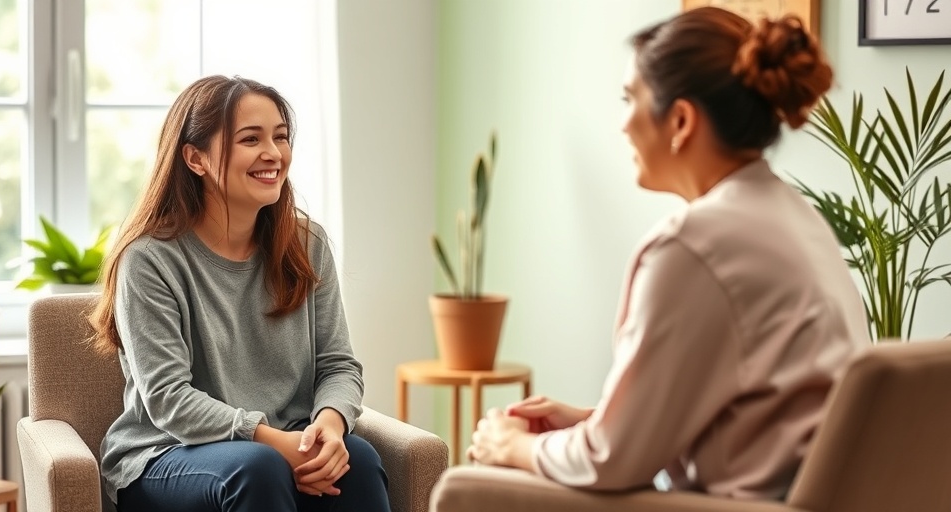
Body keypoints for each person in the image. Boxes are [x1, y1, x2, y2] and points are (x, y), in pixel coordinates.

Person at [464, 7, 870, 501]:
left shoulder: (691, 246)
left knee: (468, 488)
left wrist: (513, 447)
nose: (622, 125)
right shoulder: (797, 220)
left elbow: (609, 462)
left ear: (680, 120)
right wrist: (598, 420)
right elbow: (756, 418)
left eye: (628, 98)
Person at [89, 75, 390, 512]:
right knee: (258, 468)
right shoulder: (149, 259)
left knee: (357, 460)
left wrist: (331, 422)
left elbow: (338, 364)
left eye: (281, 137)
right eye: (251, 139)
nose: (273, 153)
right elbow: (168, 398)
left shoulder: (308, 246)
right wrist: (268, 439)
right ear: (195, 158)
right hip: (164, 454)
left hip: (280, 442)